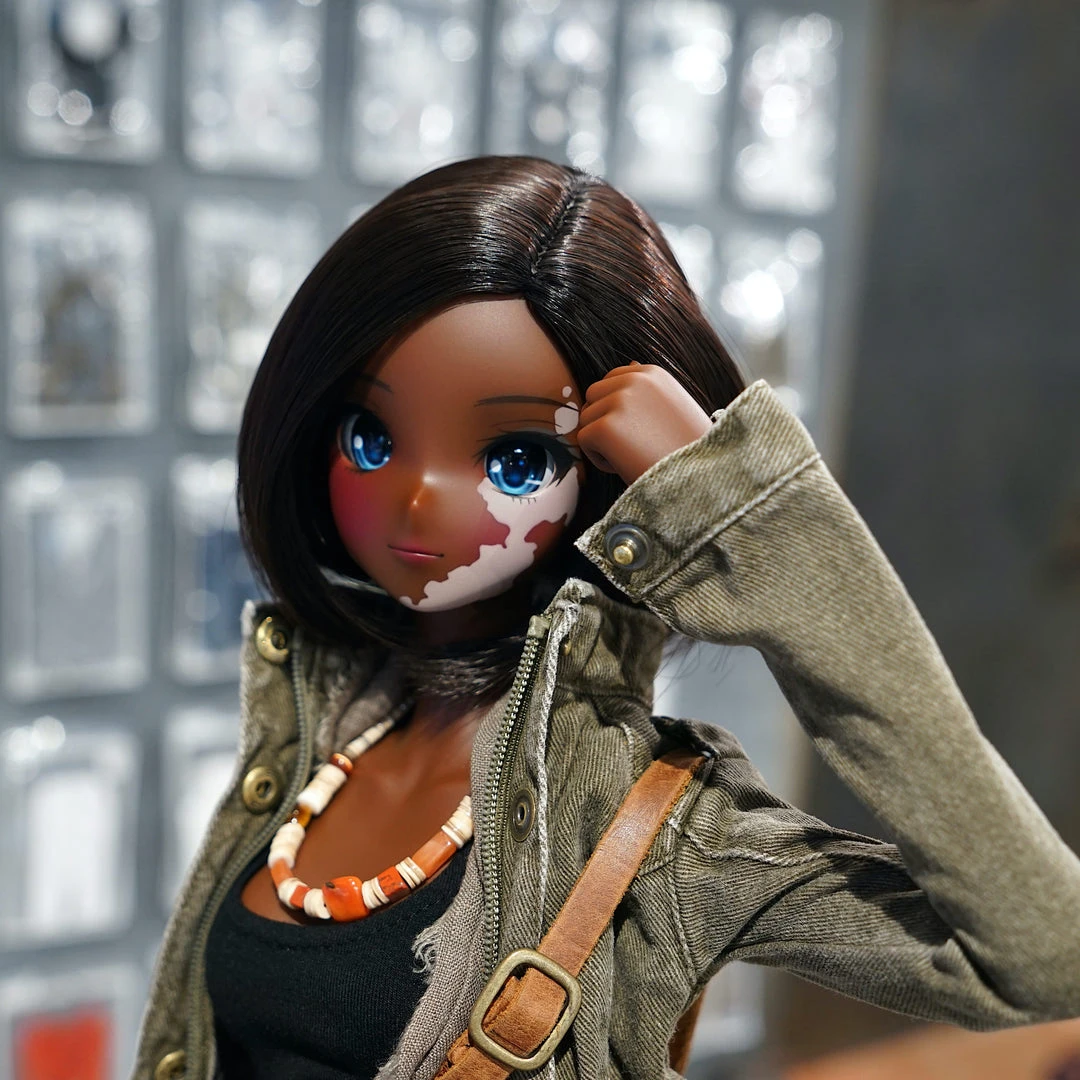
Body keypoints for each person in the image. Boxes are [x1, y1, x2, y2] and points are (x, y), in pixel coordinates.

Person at [134, 156, 1080, 1080]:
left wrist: (746, 513)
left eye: (513, 461)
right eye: (370, 438)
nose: (418, 501)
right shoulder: (317, 728)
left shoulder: (664, 837)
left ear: (608, 484)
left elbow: (1045, 954)